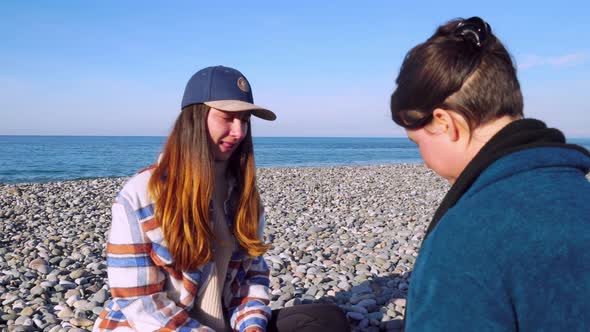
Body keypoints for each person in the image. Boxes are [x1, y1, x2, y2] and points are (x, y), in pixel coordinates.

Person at [93, 66, 350, 332]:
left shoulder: (242, 194)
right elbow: (139, 303)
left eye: (245, 120)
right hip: (158, 328)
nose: (239, 132)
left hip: (225, 324)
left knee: (328, 320)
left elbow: (252, 278)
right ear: (194, 118)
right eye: (227, 117)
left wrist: (252, 328)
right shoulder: (140, 194)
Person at [389, 17, 590, 331]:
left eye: (417, 142)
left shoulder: (466, 239)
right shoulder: (580, 193)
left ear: (445, 123)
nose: (424, 158)